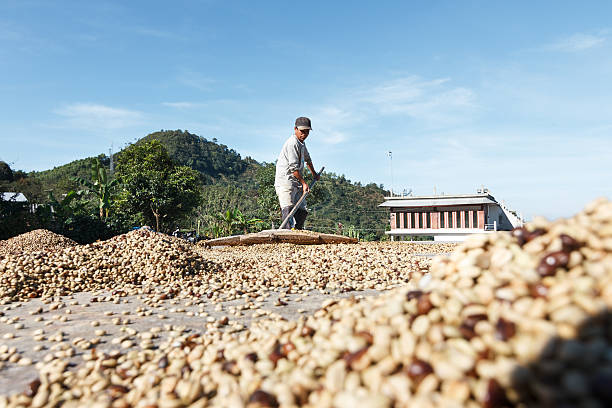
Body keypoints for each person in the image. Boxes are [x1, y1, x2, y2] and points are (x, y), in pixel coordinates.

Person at [274, 116, 320, 229]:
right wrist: (304, 183)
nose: (304, 134)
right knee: (288, 208)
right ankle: (287, 236)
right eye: (302, 131)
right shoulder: (292, 143)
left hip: (296, 181)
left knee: (302, 209)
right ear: (295, 129)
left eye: (307, 132)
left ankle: (299, 232)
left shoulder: (302, 144)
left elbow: (308, 159)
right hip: (286, 181)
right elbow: (293, 168)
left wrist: (314, 173)